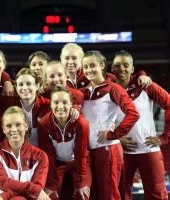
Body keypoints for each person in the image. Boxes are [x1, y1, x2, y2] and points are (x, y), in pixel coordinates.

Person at [80, 50, 139, 200]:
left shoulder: (113, 88)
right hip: (89, 151)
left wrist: (113, 134)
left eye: (92, 65)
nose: (89, 70)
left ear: (102, 65)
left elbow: (133, 113)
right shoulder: (83, 92)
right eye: (85, 67)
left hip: (108, 150)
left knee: (109, 196)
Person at [111, 50, 170, 200]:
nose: (122, 68)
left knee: (157, 195)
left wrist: (165, 137)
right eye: (117, 65)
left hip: (148, 150)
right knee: (120, 195)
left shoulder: (145, 85)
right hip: (121, 152)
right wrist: (116, 140)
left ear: (132, 68)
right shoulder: (107, 90)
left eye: (126, 65)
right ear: (112, 68)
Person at [0, 106, 50, 200]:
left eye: (18, 124)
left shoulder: (41, 156)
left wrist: (5, 195)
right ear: (3, 129)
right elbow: (3, 183)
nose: (14, 129)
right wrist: (33, 189)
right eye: (8, 126)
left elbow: (35, 194)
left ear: (26, 126)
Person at [38, 86, 91, 200]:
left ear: (71, 104)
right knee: (50, 196)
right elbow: (49, 156)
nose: (60, 106)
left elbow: (81, 154)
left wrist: (80, 182)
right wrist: (51, 184)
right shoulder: (44, 124)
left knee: (82, 195)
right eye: (56, 102)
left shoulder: (81, 123)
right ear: (50, 104)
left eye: (65, 102)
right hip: (58, 163)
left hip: (79, 162)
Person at [60, 43, 151, 90]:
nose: (70, 62)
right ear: (61, 59)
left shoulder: (90, 74)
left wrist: (140, 74)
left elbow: (121, 78)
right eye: (67, 58)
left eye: (74, 58)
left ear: (81, 60)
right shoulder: (56, 78)